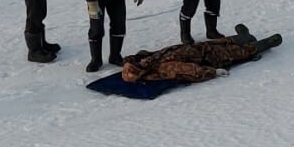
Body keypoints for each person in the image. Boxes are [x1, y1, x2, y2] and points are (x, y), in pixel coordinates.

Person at [121, 25, 282, 84]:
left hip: (196, 48)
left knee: (221, 41)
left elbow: (143, 55)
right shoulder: (164, 68)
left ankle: (244, 36)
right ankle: (267, 42)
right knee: (237, 52)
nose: (142, 62)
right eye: (139, 65)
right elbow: (191, 70)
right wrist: (214, 72)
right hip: (209, 58)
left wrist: (133, 59)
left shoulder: (147, 60)